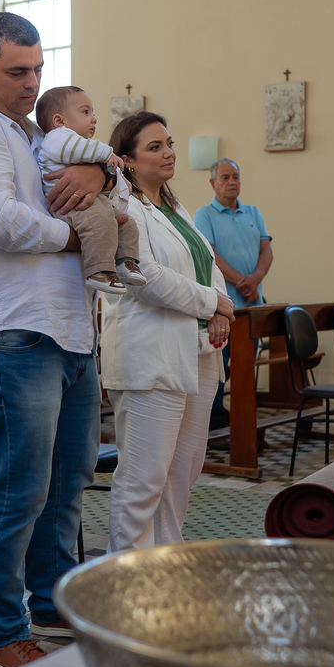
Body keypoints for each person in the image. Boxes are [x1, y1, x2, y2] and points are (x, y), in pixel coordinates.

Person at [0, 13, 107, 667]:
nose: (33, 83)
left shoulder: (31, 129)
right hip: (9, 333)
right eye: (16, 71)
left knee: (66, 484)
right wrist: (75, 236)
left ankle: (55, 600)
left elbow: (85, 175)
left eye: (38, 69)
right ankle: (1, 628)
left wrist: (101, 181)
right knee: (17, 490)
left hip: (68, 330)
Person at [99, 112, 232, 552]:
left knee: (181, 476)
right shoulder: (123, 207)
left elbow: (208, 265)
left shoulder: (176, 208)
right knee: (144, 480)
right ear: (128, 160)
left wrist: (219, 311)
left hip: (197, 354)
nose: (169, 151)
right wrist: (212, 303)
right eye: (154, 146)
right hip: (149, 355)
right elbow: (141, 275)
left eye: (169, 142)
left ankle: (165, 572)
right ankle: (125, 588)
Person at [34, 86, 145, 293]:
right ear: (60, 121)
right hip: (70, 204)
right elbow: (80, 152)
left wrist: (116, 177)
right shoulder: (58, 138)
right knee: (100, 223)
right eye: (85, 112)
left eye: (93, 113)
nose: (93, 119)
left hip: (88, 201)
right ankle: (100, 271)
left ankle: (125, 261)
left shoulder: (80, 144)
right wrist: (108, 153)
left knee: (126, 222)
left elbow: (101, 172)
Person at [193, 157, 272, 434]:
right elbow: (210, 254)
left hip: (252, 307)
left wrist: (255, 280)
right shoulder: (205, 215)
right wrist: (241, 281)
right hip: (224, 308)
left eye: (235, 177)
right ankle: (213, 424)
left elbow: (266, 250)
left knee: (245, 367)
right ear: (213, 182)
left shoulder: (253, 212)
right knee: (218, 367)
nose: (231, 182)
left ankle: (241, 418)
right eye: (225, 177)